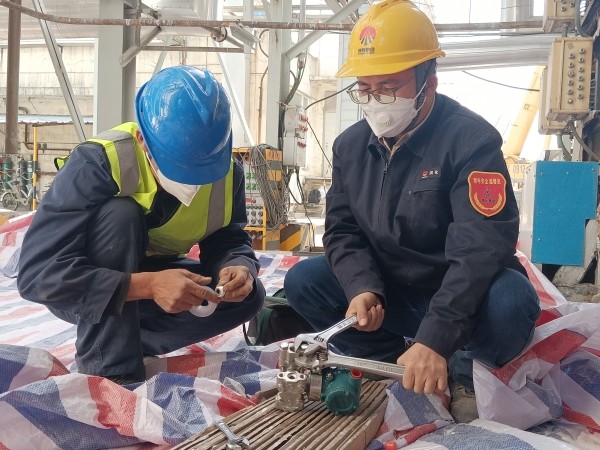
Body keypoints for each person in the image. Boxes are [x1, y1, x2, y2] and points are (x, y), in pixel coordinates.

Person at [284, 0, 540, 417]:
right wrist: (362, 287)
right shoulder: (350, 146)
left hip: (461, 295)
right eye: (365, 88)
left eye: (390, 86)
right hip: (393, 293)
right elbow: (342, 230)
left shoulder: (471, 141)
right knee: (304, 281)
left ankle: (461, 370)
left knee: (511, 301)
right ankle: (388, 361)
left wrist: (436, 337)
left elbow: (480, 248)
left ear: (429, 83)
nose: (376, 101)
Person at [17, 65, 265, 384]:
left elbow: (227, 238)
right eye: (179, 167)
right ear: (142, 140)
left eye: (200, 170)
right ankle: (111, 367)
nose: (191, 183)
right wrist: (148, 285)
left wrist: (237, 265)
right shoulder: (96, 163)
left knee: (250, 296)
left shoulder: (228, 174)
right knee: (121, 215)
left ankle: (125, 341)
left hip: (153, 286)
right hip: (88, 286)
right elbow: (38, 276)